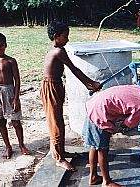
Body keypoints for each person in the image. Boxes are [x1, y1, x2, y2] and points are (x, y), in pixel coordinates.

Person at [40, 21, 100, 171]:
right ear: (56, 37)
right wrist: (91, 83)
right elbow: (74, 70)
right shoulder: (58, 51)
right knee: (55, 124)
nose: (68, 39)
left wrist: (89, 84)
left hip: (56, 85)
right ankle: (58, 158)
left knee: (59, 120)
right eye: (65, 36)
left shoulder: (58, 48)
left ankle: (61, 151)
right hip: (50, 87)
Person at [83, 85, 140, 186]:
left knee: (94, 146)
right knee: (102, 149)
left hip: (95, 103)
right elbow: (127, 124)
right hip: (100, 113)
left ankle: (93, 177)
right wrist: (116, 128)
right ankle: (107, 182)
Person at [0, 33, 29, 159]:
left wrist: (16, 98)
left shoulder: (11, 61)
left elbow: (17, 80)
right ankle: (8, 147)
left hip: (9, 92)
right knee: (1, 121)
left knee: (15, 121)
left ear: (6, 45)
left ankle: (21, 145)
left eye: (2, 45)